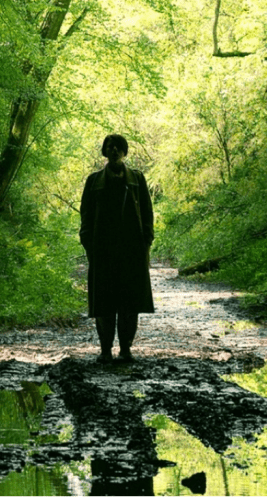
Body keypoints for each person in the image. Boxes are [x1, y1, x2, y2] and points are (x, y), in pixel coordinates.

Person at [79, 134, 155, 363]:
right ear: (104, 151)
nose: (114, 150)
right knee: (104, 303)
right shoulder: (93, 181)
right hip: (103, 251)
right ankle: (104, 350)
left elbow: (147, 213)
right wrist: (89, 244)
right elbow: (86, 216)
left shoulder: (137, 179)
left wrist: (146, 241)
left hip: (131, 251)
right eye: (109, 147)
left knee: (130, 302)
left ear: (124, 152)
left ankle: (126, 349)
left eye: (118, 147)